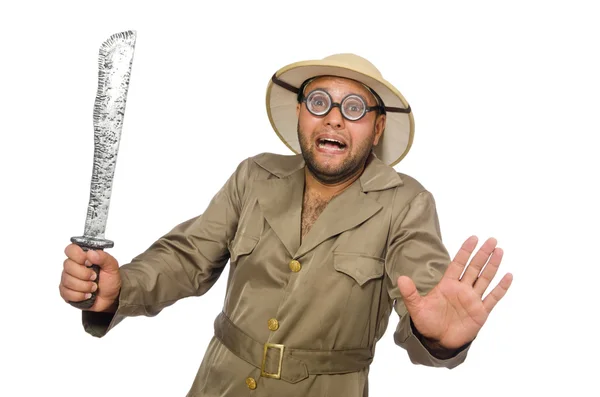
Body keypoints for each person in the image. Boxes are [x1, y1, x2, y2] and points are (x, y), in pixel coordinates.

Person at [59, 53, 513, 396]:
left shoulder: (406, 203)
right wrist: (120, 290)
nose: (334, 116)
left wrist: (437, 339)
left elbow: (428, 297)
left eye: (354, 107)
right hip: (220, 384)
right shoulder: (254, 175)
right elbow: (187, 258)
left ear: (376, 129)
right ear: (299, 113)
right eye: (319, 101)